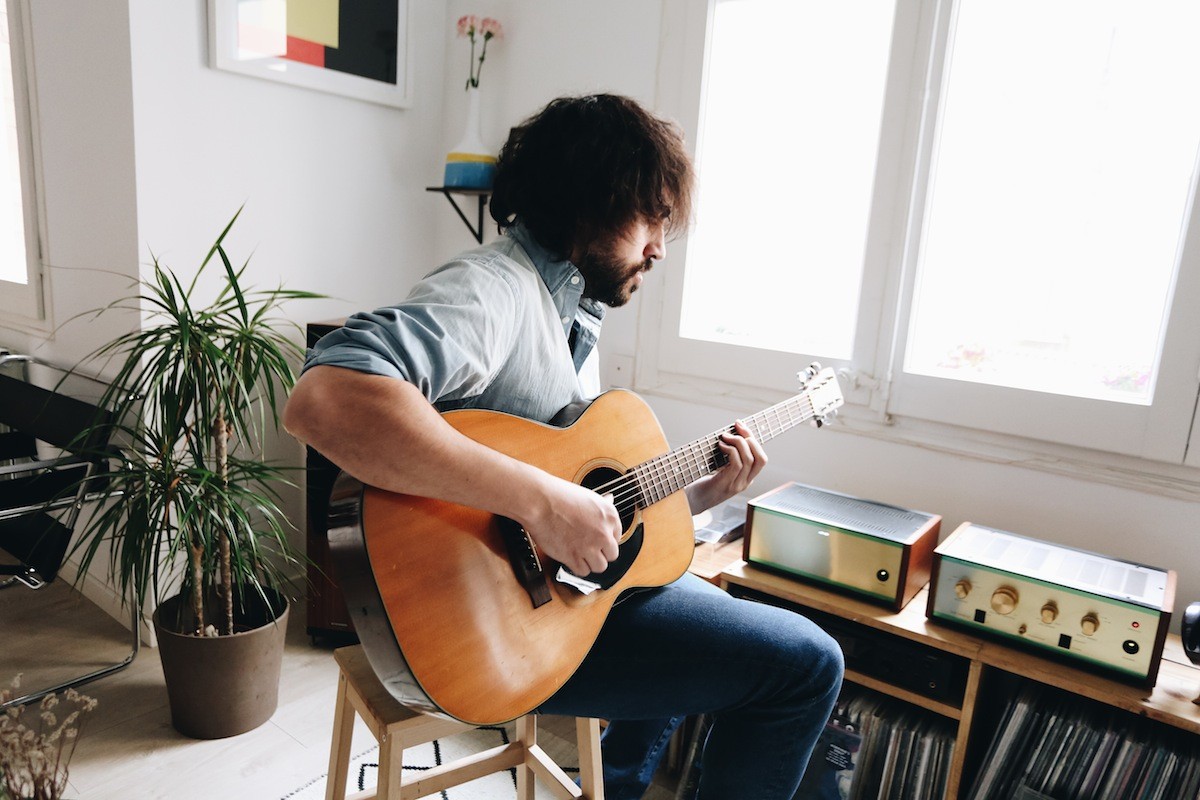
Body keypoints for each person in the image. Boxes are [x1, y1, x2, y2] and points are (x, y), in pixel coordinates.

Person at [283, 93, 843, 799]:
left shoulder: (573, 314)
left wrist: (699, 495)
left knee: (687, 595)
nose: (659, 248)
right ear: (590, 201)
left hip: (562, 600)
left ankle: (621, 785)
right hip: (486, 627)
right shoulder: (493, 291)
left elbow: (586, 496)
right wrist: (542, 504)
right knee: (808, 665)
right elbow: (325, 400)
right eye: (650, 218)